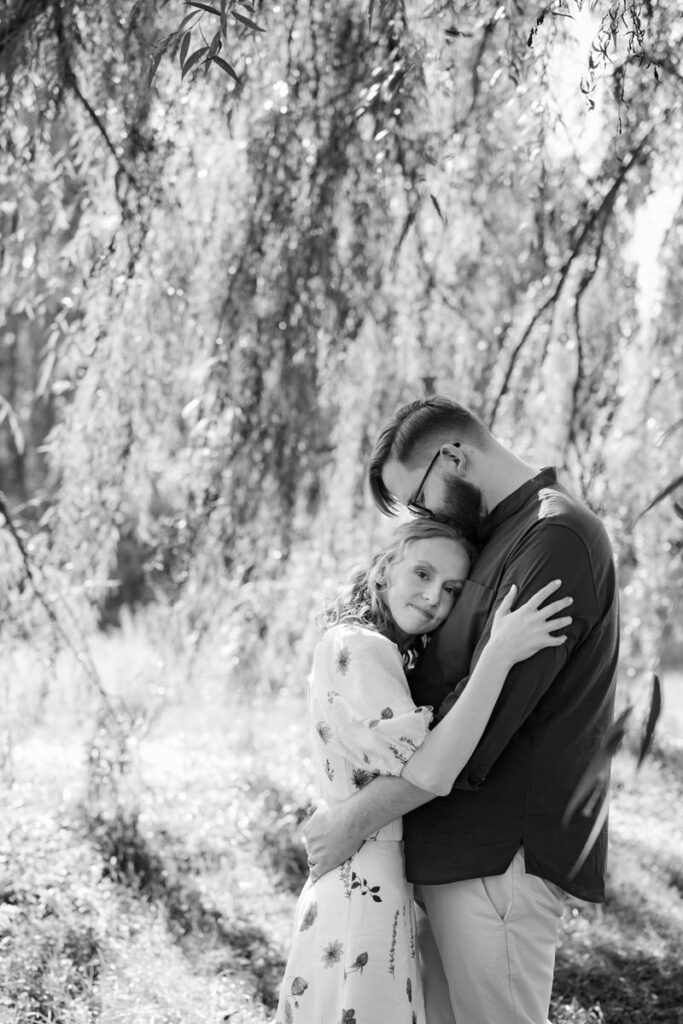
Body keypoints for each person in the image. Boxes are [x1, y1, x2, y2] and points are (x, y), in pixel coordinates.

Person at [303, 396, 619, 1024]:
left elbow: (485, 724)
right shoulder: (496, 534)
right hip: (443, 851)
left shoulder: (553, 538)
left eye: (419, 499)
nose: (422, 518)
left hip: (497, 859)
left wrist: (354, 819)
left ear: (454, 455)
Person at [276, 518, 573, 1024]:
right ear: (385, 568)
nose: (435, 596)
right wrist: (498, 655)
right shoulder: (361, 646)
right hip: (361, 877)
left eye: (452, 588)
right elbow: (431, 771)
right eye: (422, 573)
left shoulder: (372, 646)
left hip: (365, 873)